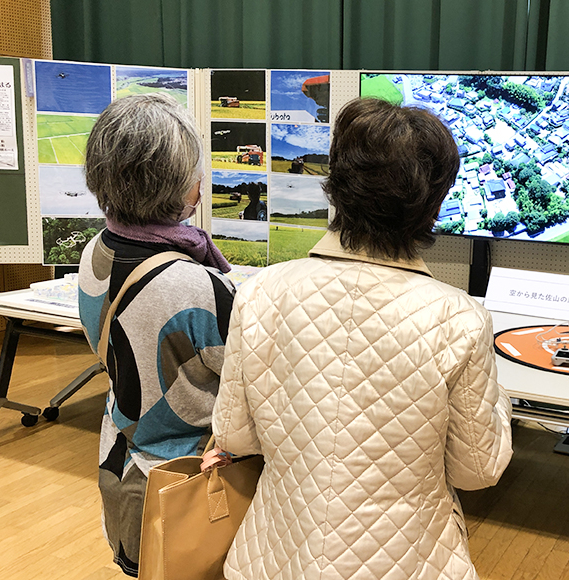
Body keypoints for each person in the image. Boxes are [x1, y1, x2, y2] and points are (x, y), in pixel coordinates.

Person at [213, 97, 513, 580]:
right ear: (433, 203)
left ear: (336, 186)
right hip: (410, 559)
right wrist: (502, 406)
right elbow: (476, 471)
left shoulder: (260, 292)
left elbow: (234, 435)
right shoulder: (459, 317)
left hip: (276, 554)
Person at [77, 93, 236, 577]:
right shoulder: (198, 286)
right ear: (176, 186)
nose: (201, 182)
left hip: (121, 460)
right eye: (194, 170)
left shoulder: (94, 253)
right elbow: (251, 382)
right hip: (188, 480)